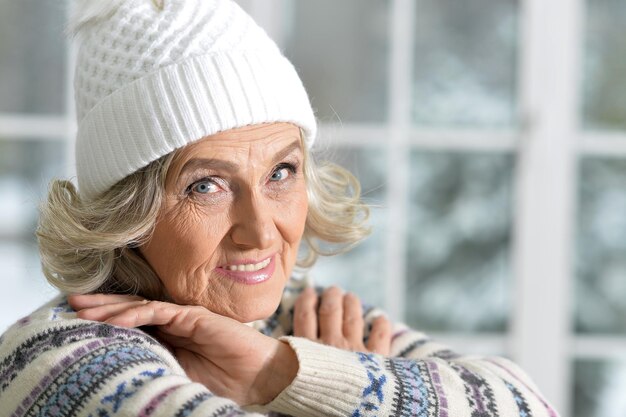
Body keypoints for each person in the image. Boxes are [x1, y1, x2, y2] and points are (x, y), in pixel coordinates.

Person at [0, 0, 559, 416]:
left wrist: (283, 372)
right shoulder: (58, 360)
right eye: (206, 186)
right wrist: (340, 392)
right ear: (127, 215)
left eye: (281, 173)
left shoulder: (303, 323)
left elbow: (528, 406)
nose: (261, 232)